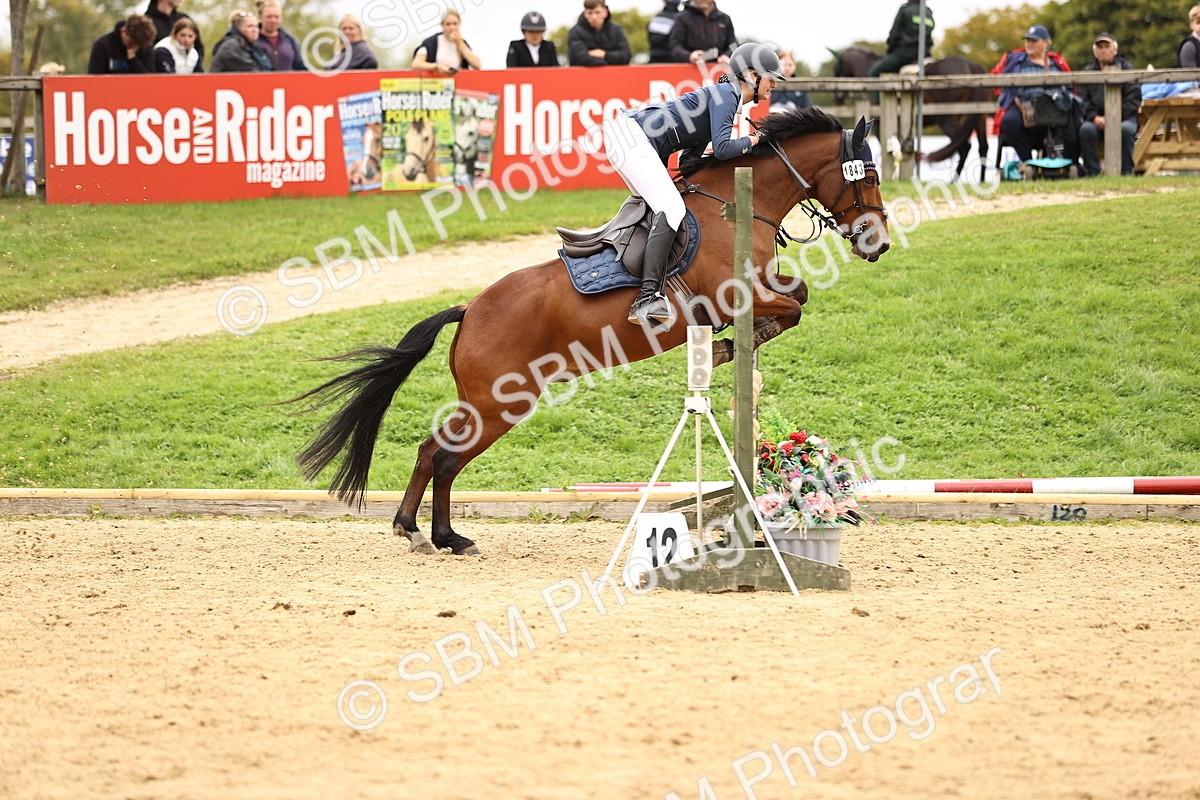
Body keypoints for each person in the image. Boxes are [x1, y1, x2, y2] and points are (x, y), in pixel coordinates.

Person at [601, 43, 782, 328]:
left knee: (663, 207)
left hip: (627, 136)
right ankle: (646, 297)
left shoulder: (723, 96)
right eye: (770, 76)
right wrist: (756, 139)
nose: (774, 84)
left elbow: (690, 158)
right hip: (631, 138)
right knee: (671, 209)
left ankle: (637, 279)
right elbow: (722, 149)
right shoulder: (726, 95)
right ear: (750, 74)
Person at [990, 25, 1072, 168]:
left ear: (1046, 43)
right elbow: (995, 79)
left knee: (1071, 118)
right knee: (1009, 121)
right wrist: (1006, 95)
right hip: (1022, 105)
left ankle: (1062, 164)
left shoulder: (1056, 62)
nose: (1029, 44)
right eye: (1027, 40)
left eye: (1034, 41)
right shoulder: (1014, 60)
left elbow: (1070, 85)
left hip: (1052, 107)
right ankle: (1028, 163)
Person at [1078, 33, 1140, 177]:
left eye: (1107, 46)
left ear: (1115, 50)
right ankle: (1092, 173)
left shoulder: (1128, 69)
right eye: (1100, 47)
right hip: (1096, 119)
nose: (1103, 50)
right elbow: (1083, 99)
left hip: (1124, 118)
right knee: (1085, 130)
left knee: (1126, 129)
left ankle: (1126, 172)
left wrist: (1114, 117)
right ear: (1095, 51)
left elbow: (1133, 99)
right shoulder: (1087, 72)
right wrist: (1094, 117)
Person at [868, 1, 934, 77]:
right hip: (925, 55)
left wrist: (890, 51)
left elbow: (894, 35)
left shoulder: (905, 10)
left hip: (903, 55)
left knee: (873, 73)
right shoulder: (928, 12)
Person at [667, 0, 736, 65]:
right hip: (690, 71)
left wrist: (726, 55)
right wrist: (689, 56)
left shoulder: (724, 19)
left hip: (719, 70)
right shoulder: (682, 18)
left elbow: (733, 45)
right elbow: (674, 46)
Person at [412, 9, 481, 74]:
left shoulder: (462, 43)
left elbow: (477, 65)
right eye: (448, 24)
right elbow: (416, 64)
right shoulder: (430, 42)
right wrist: (435, 67)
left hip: (457, 84)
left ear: (459, 24)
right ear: (442, 25)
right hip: (435, 83)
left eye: (455, 24)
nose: (452, 28)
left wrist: (460, 43)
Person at [568, 0, 631, 67]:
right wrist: (608, 62)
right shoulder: (575, 32)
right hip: (583, 76)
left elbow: (626, 56)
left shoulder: (616, 30)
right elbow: (580, 59)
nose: (594, 17)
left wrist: (604, 54)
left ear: (605, 12)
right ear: (585, 14)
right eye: (590, 13)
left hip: (613, 76)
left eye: (597, 12)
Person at [144, 0, 204, 69]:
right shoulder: (146, 23)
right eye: (183, 35)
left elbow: (198, 48)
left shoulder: (184, 19)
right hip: (157, 75)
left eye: (190, 36)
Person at [88, 15, 157, 74]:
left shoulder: (145, 46)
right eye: (131, 42)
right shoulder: (102, 46)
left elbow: (150, 80)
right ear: (123, 31)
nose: (135, 47)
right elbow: (94, 80)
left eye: (138, 45)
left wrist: (133, 60)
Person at [254, 0, 305, 71]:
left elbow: (301, 68)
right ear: (260, 17)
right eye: (269, 17)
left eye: (276, 17)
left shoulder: (291, 41)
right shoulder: (253, 41)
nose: (273, 20)